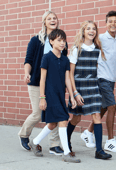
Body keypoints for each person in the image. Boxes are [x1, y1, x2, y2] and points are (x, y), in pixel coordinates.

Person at [29, 29, 81, 163]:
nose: (62, 42)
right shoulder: (46, 57)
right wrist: (42, 97)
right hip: (50, 95)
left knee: (52, 124)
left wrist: (71, 96)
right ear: (51, 42)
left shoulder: (65, 60)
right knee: (63, 120)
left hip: (60, 95)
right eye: (59, 40)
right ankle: (67, 152)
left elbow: (67, 79)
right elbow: (42, 79)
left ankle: (34, 142)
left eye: (64, 40)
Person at [82, 11, 116, 153]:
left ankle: (88, 132)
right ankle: (110, 141)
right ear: (106, 23)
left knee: (104, 107)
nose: (113, 24)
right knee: (112, 106)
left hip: (111, 78)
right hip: (100, 77)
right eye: (110, 21)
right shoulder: (100, 38)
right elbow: (90, 53)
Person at [19, 11, 66, 155]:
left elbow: (63, 64)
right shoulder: (36, 40)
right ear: (44, 22)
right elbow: (28, 60)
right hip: (37, 82)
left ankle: (54, 145)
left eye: (55, 18)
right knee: (38, 113)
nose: (52, 20)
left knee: (56, 113)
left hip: (54, 84)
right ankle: (24, 134)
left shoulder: (62, 41)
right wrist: (27, 73)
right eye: (49, 18)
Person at [66, 20, 112, 160]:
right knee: (76, 118)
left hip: (93, 86)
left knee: (97, 116)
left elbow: (96, 69)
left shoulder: (97, 49)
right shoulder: (76, 49)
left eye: (94, 29)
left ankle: (99, 151)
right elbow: (70, 73)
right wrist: (75, 93)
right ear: (83, 32)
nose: (91, 31)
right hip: (78, 87)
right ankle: (66, 142)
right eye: (88, 29)